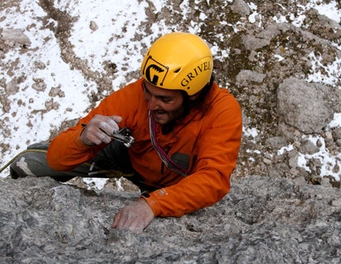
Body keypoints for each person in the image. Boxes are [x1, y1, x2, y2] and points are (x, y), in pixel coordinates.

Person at [9, 32, 242, 233]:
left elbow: (213, 178)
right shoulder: (133, 96)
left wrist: (153, 204)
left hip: (172, 183)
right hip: (130, 156)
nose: (151, 105)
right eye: (148, 92)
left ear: (193, 95)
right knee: (28, 163)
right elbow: (57, 157)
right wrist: (83, 140)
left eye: (165, 99)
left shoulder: (222, 110)